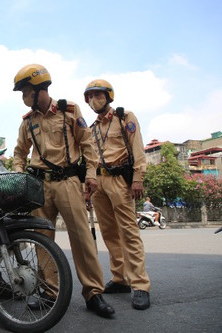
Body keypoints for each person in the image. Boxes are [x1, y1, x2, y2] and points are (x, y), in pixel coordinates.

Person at [12, 64, 115, 318]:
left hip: (68, 182)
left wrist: (90, 175)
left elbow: (87, 144)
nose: (23, 98)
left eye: (25, 91)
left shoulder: (69, 111)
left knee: (81, 239)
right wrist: (18, 174)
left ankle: (93, 293)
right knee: (42, 240)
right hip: (38, 186)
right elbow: (19, 152)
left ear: (39, 89)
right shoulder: (27, 122)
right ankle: (49, 291)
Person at [84, 78, 151, 310]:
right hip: (99, 184)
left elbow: (137, 148)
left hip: (119, 180)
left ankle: (140, 284)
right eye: (90, 96)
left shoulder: (125, 117)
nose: (94, 100)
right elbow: (89, 160)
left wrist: (138, 178)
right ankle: (120, 278)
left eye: (98, 95)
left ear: (108, 96)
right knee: (110, 233)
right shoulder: (91, 129)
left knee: (129, 232)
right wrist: (88, 186)